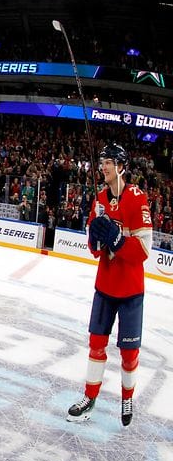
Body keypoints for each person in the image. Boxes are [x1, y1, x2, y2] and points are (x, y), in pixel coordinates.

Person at [68, 143, 152, 427]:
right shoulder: (100, 199)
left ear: (121, 166)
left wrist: (116, 240)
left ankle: (127, 397)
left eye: (108, 162)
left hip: (130, 290)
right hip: (105, 285)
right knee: (96, 345)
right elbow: (94, 248)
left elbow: (144, 250)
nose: (102, 166)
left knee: (129, 354)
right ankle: (89, 397)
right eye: (102, 161)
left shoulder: (137, 198)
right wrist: (95, 238)